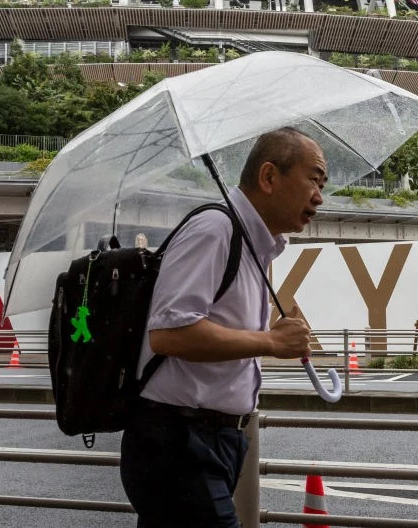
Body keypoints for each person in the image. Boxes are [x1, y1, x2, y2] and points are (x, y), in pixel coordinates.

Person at [120, 127, 327, 527]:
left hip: (215, 440)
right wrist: (269, 340)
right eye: (313, 180)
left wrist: (273, 334)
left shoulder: (256, 245)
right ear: (269, 177)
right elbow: (169, 333)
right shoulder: (216, 230)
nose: (319, 196)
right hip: (180, 440)